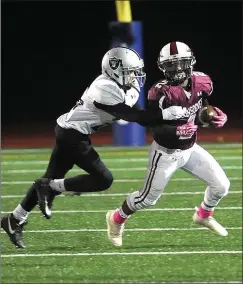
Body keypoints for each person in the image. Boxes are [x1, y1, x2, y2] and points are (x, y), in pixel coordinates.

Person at [1, 46, 188, 249]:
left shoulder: (127, 86)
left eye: (135, 71)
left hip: (72, 131)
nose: (135, 77)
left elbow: (138, 114)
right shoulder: (104, 87)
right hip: (72, 135)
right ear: (115, 70)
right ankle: (47, 188)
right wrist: (166, 115)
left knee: (49, 179)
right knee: (103, 179)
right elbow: (135, 117)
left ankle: (13, 220)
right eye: (130, 72)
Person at [106, 41, 229, 247]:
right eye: (172, 65)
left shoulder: (203, 81)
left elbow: (204, 105)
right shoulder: (161, 91)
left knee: (222, 186)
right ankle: (116, 218)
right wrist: (177, 129)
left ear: (191, 63)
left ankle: (203, 215)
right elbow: (155, 126)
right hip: (165, 152)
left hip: (190, 148)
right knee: (146, 199)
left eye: (182, 64)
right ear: (163, 68)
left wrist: (216, 114)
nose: (178, 69)